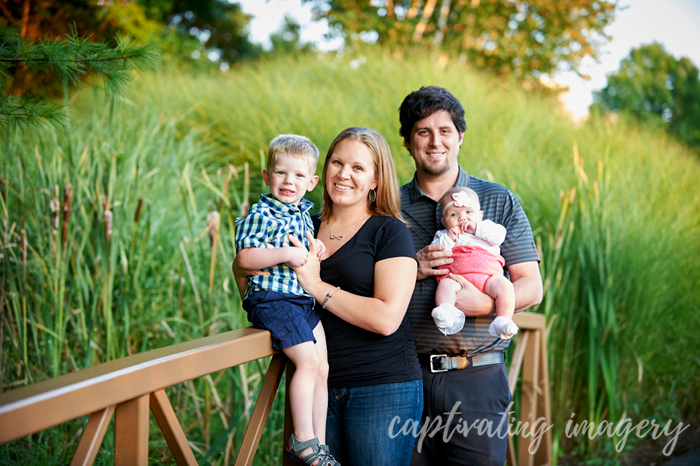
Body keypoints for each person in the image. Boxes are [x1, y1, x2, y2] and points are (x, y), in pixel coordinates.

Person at [398, 86, 543, 465]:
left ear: (460, 136)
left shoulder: (498, 199)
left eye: (445, 130)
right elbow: (362, 279)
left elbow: (531, 284)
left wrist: (487, 302)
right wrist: (412, 268)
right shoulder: (388, 206)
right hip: (401, 379)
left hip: (477, 377)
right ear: (408, 142)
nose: (435, 142)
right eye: (423, 132)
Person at [286, 127, 423, 466]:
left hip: (383, 389)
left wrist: (316, 286)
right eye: (337, 162)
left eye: (358, 168)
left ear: (375, 180)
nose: (344, 174)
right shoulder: (301, 226)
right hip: (316, 389)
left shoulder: (390, 231)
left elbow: (386, 318)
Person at [234, 134, 338, 466]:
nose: (288, 182)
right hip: (273, 299)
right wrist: (289, 253)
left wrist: (314, 249)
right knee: (306, 363)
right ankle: (302, 441)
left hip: (301, 302)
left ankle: (319, 445)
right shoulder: (261, 214)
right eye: (281, 173)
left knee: (322, 367)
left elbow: (303, 253)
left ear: (311, 182)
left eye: (297, 176)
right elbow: (245, 259)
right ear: (267, 176)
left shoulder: (303, 214)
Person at [430, 186, 519, 339]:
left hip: (489, 278)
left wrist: (478, 228)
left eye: (469, 212)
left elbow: (500, 236)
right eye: (453, 214)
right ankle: (446, 312)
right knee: (445, 286)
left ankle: (503, 320)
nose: (462, 218)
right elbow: (434, 251)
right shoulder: (444, 235)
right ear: (444, 222)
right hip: (456, 279)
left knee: (505, 287)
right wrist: (449, 238)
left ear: (480, 215)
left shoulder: (486, 229)